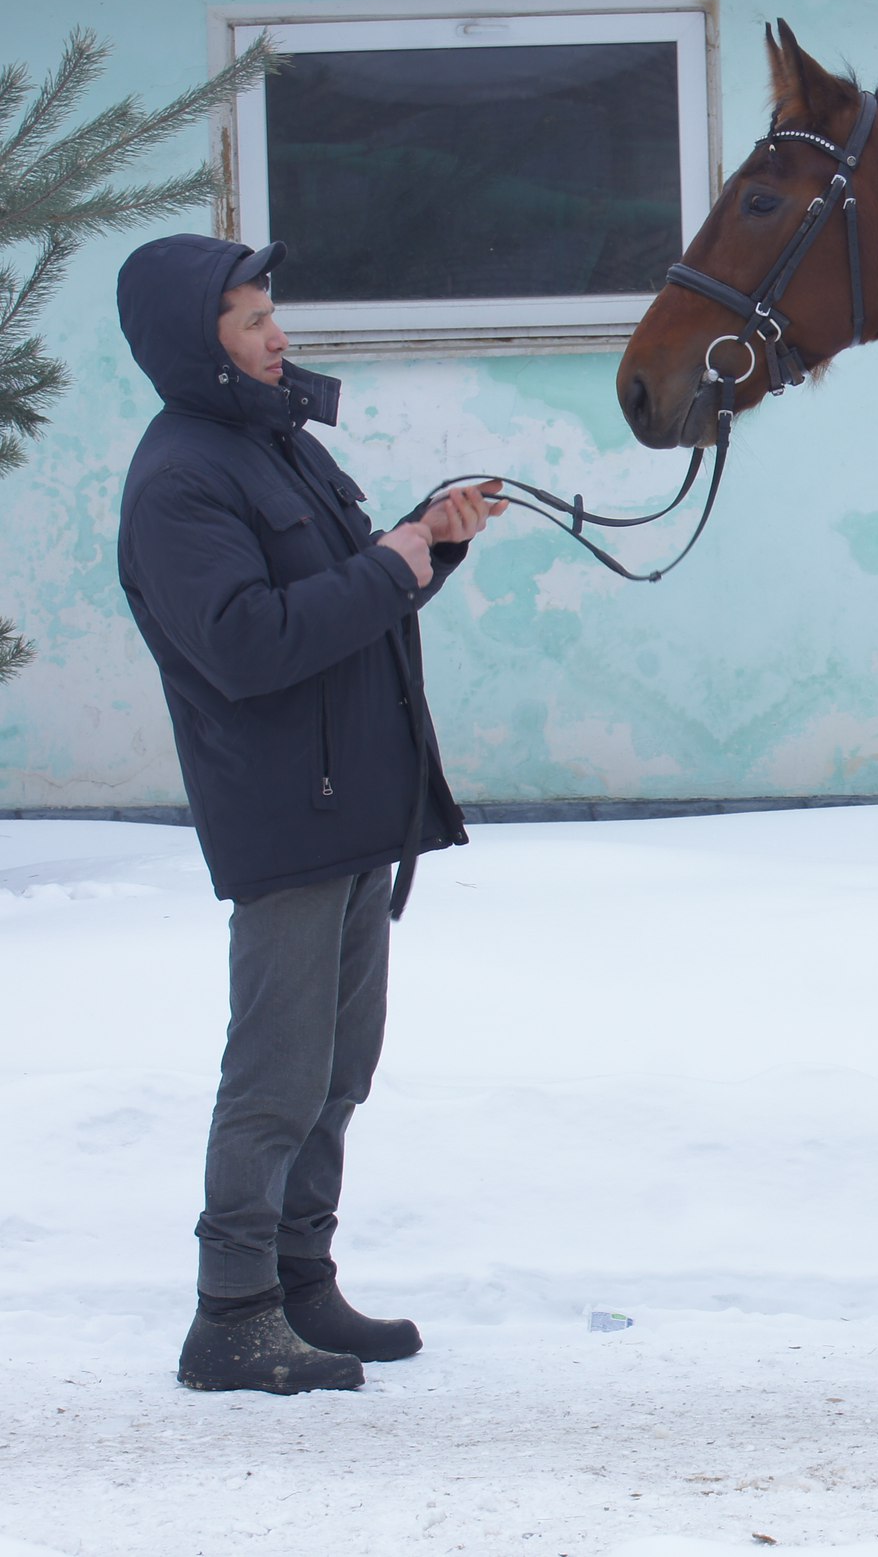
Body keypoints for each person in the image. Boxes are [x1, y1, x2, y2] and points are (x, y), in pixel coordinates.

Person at [113, 234, 505, 1395]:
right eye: (248, 319)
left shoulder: (272, 444)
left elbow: (342, 599)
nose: (277, 333)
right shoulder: (182, 478)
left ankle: (300, 1282)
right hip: (285, 811)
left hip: (353, 803)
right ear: (196, 343)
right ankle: (231, 1313)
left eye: (269, 310)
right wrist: (390, 565)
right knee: (277, 1076)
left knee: (339, 1069)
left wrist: (427, 542)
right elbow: (245, 647)